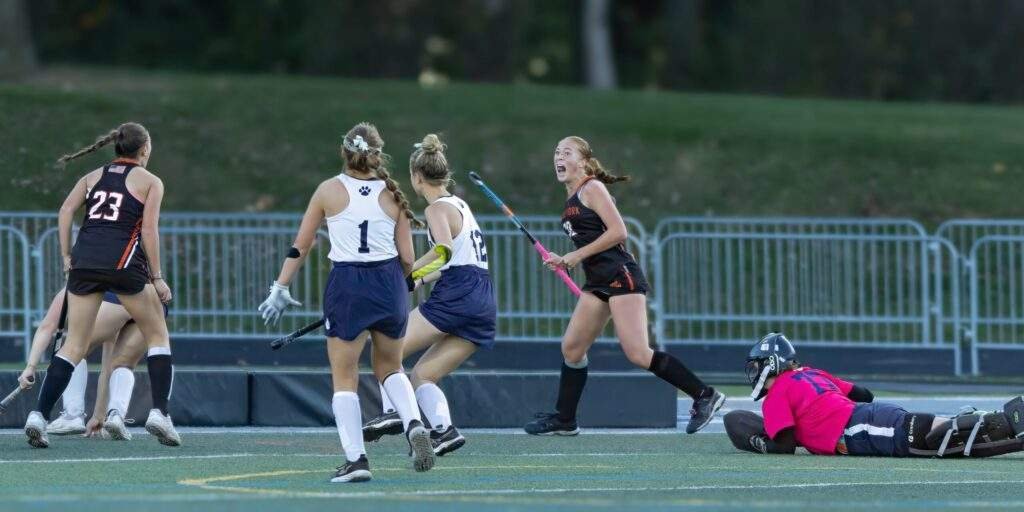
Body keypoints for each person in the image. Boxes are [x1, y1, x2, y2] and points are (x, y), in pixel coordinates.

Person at [259, 122, 435, 483]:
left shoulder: (328, 190)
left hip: (349, 284)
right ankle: (414, 421)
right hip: (388, 283)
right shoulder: (393, 193)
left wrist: (280, 285)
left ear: (344, 151)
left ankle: (357, 460)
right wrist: (404, 285)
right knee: (390, 366)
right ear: (376, 153)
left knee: (344, 375)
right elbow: (407, 256)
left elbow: (302, 244)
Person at [524, 136, 724, 436]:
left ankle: (704, 395)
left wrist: (574, 256)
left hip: (621, 276)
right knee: (572, 348)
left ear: (584, 161)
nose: (558, 157)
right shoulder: (573, 197)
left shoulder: (592, 187)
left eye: (566, 152)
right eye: (556, 152)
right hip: (597, 282)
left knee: (638, 353)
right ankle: (565, 419)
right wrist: (562, 258)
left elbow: (619, 231)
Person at [24, 122, 178, 449]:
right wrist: (158, 276)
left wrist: (67, 254)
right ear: (145, 149)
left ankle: (39, 414)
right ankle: (160, 413)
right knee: (157, 334)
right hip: (123, 265)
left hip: (85, 262)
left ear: (116, 147)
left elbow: (65, 210)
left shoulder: (91, 177)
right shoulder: (151, 182)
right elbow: (148, 232)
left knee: (74, 345)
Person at [362, 134, 496, 457]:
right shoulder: (461, 205)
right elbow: (453, 260)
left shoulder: (436, 209)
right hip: (482, 300)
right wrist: (418, 281)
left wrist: (404, 273)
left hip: (458, 295)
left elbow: (444, 251)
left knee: (385, 349)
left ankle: (393, 411)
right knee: (423, 374)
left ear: (416, 177)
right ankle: (444, 431)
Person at [724, 332, 1024, 458]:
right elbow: (863, 393)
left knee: (929, 441)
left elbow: (784, 446)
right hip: (866, 415)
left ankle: (1007, 422)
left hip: (855, 428)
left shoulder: (777, 393)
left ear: (771, 364)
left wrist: (760, 442)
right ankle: (1007, 422)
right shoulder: (813, 374)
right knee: (943, 435)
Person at [18, 289, 148, 438]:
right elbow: (107, 366)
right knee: (121, 363)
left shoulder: (76, 287)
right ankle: (115, 417)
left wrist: (31, 367)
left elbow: (46, 327)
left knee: (73, 351)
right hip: (146, 302)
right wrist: (99, 416)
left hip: (118, 301)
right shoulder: (111, 280)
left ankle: (73, 415)